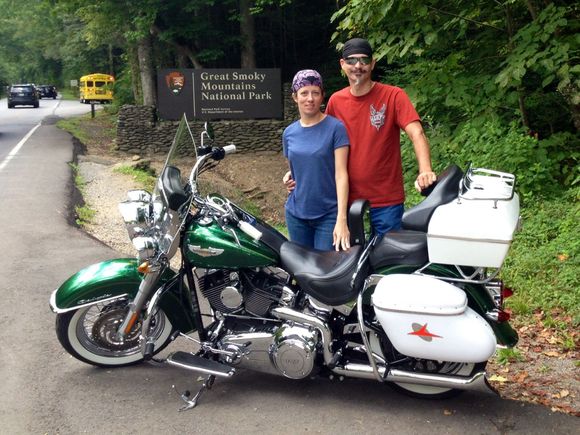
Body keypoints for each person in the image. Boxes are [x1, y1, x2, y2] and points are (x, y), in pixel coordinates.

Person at [284, 38, 437, 236]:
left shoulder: (393, 96)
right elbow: (319, 144)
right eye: (351, 60)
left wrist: (425, 170)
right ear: (342, 64)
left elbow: (417, 133)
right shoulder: (336, 101)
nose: (358, 66)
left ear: (372, 63)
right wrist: (297, 171)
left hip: (386, 199)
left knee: (388, 254)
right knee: (347, 255)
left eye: (364, 60)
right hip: (345, 200)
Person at [283, 69, 351, 251]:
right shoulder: (289, 133)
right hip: (296, 214)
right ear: (295, 97)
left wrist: (341, 218)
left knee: (325, 267)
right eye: (304, 93)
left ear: (322, 96)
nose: (310, 98)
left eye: (315, 92)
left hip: (328, 215)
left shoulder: (336, 128)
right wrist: (288, 177)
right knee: (300, 266)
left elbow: (341, 174)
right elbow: (296, 168)